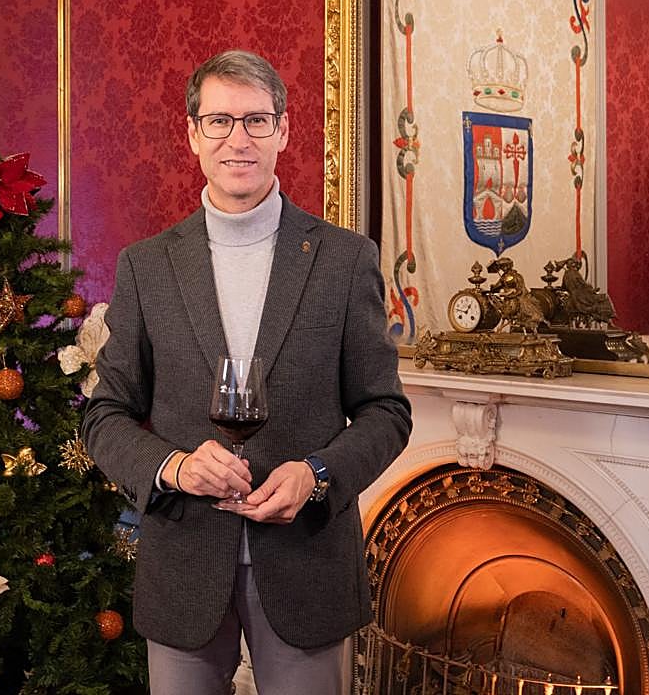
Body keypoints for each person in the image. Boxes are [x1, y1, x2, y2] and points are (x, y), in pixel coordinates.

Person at [82, 50, 411, 695]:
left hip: (307, 561)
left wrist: (316, 475)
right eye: (220, 121)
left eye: (257, 120)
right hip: (183, 563)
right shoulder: (146, 267)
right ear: (193, 134)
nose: (239, 139)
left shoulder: (345, 261)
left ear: (283, 130)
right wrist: (174, 467)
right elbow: (105, 413)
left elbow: (386, 411)